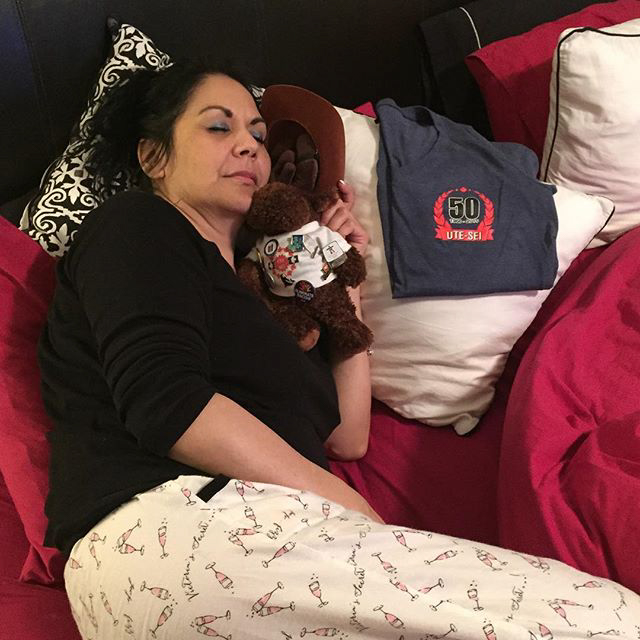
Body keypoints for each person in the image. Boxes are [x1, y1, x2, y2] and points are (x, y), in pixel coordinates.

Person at [39, 60, 640, 639]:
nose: (249, 146)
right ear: (153, 157)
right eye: (219, 127)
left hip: (256, 533)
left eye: (259, 135)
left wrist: (343, 287)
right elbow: (167, 403)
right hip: (171, 527)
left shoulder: (266, 297)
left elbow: (347, 437)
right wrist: (352, 508)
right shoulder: (138, 225)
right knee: (602, 620)